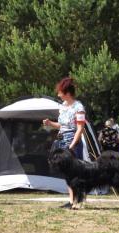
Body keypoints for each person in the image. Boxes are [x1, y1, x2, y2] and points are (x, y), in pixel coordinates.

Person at [42, 77, 86, 208]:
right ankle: (72, 200)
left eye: (60, 92)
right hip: (61, 142)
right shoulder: (63, 106)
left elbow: (80, 129)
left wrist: (71, 147)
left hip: (72, 143)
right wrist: (50, 123)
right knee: (67, 173)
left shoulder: (79, 107)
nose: (58, 94)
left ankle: (78, 200)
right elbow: (61, 125)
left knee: (76, 173)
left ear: (67, 93)